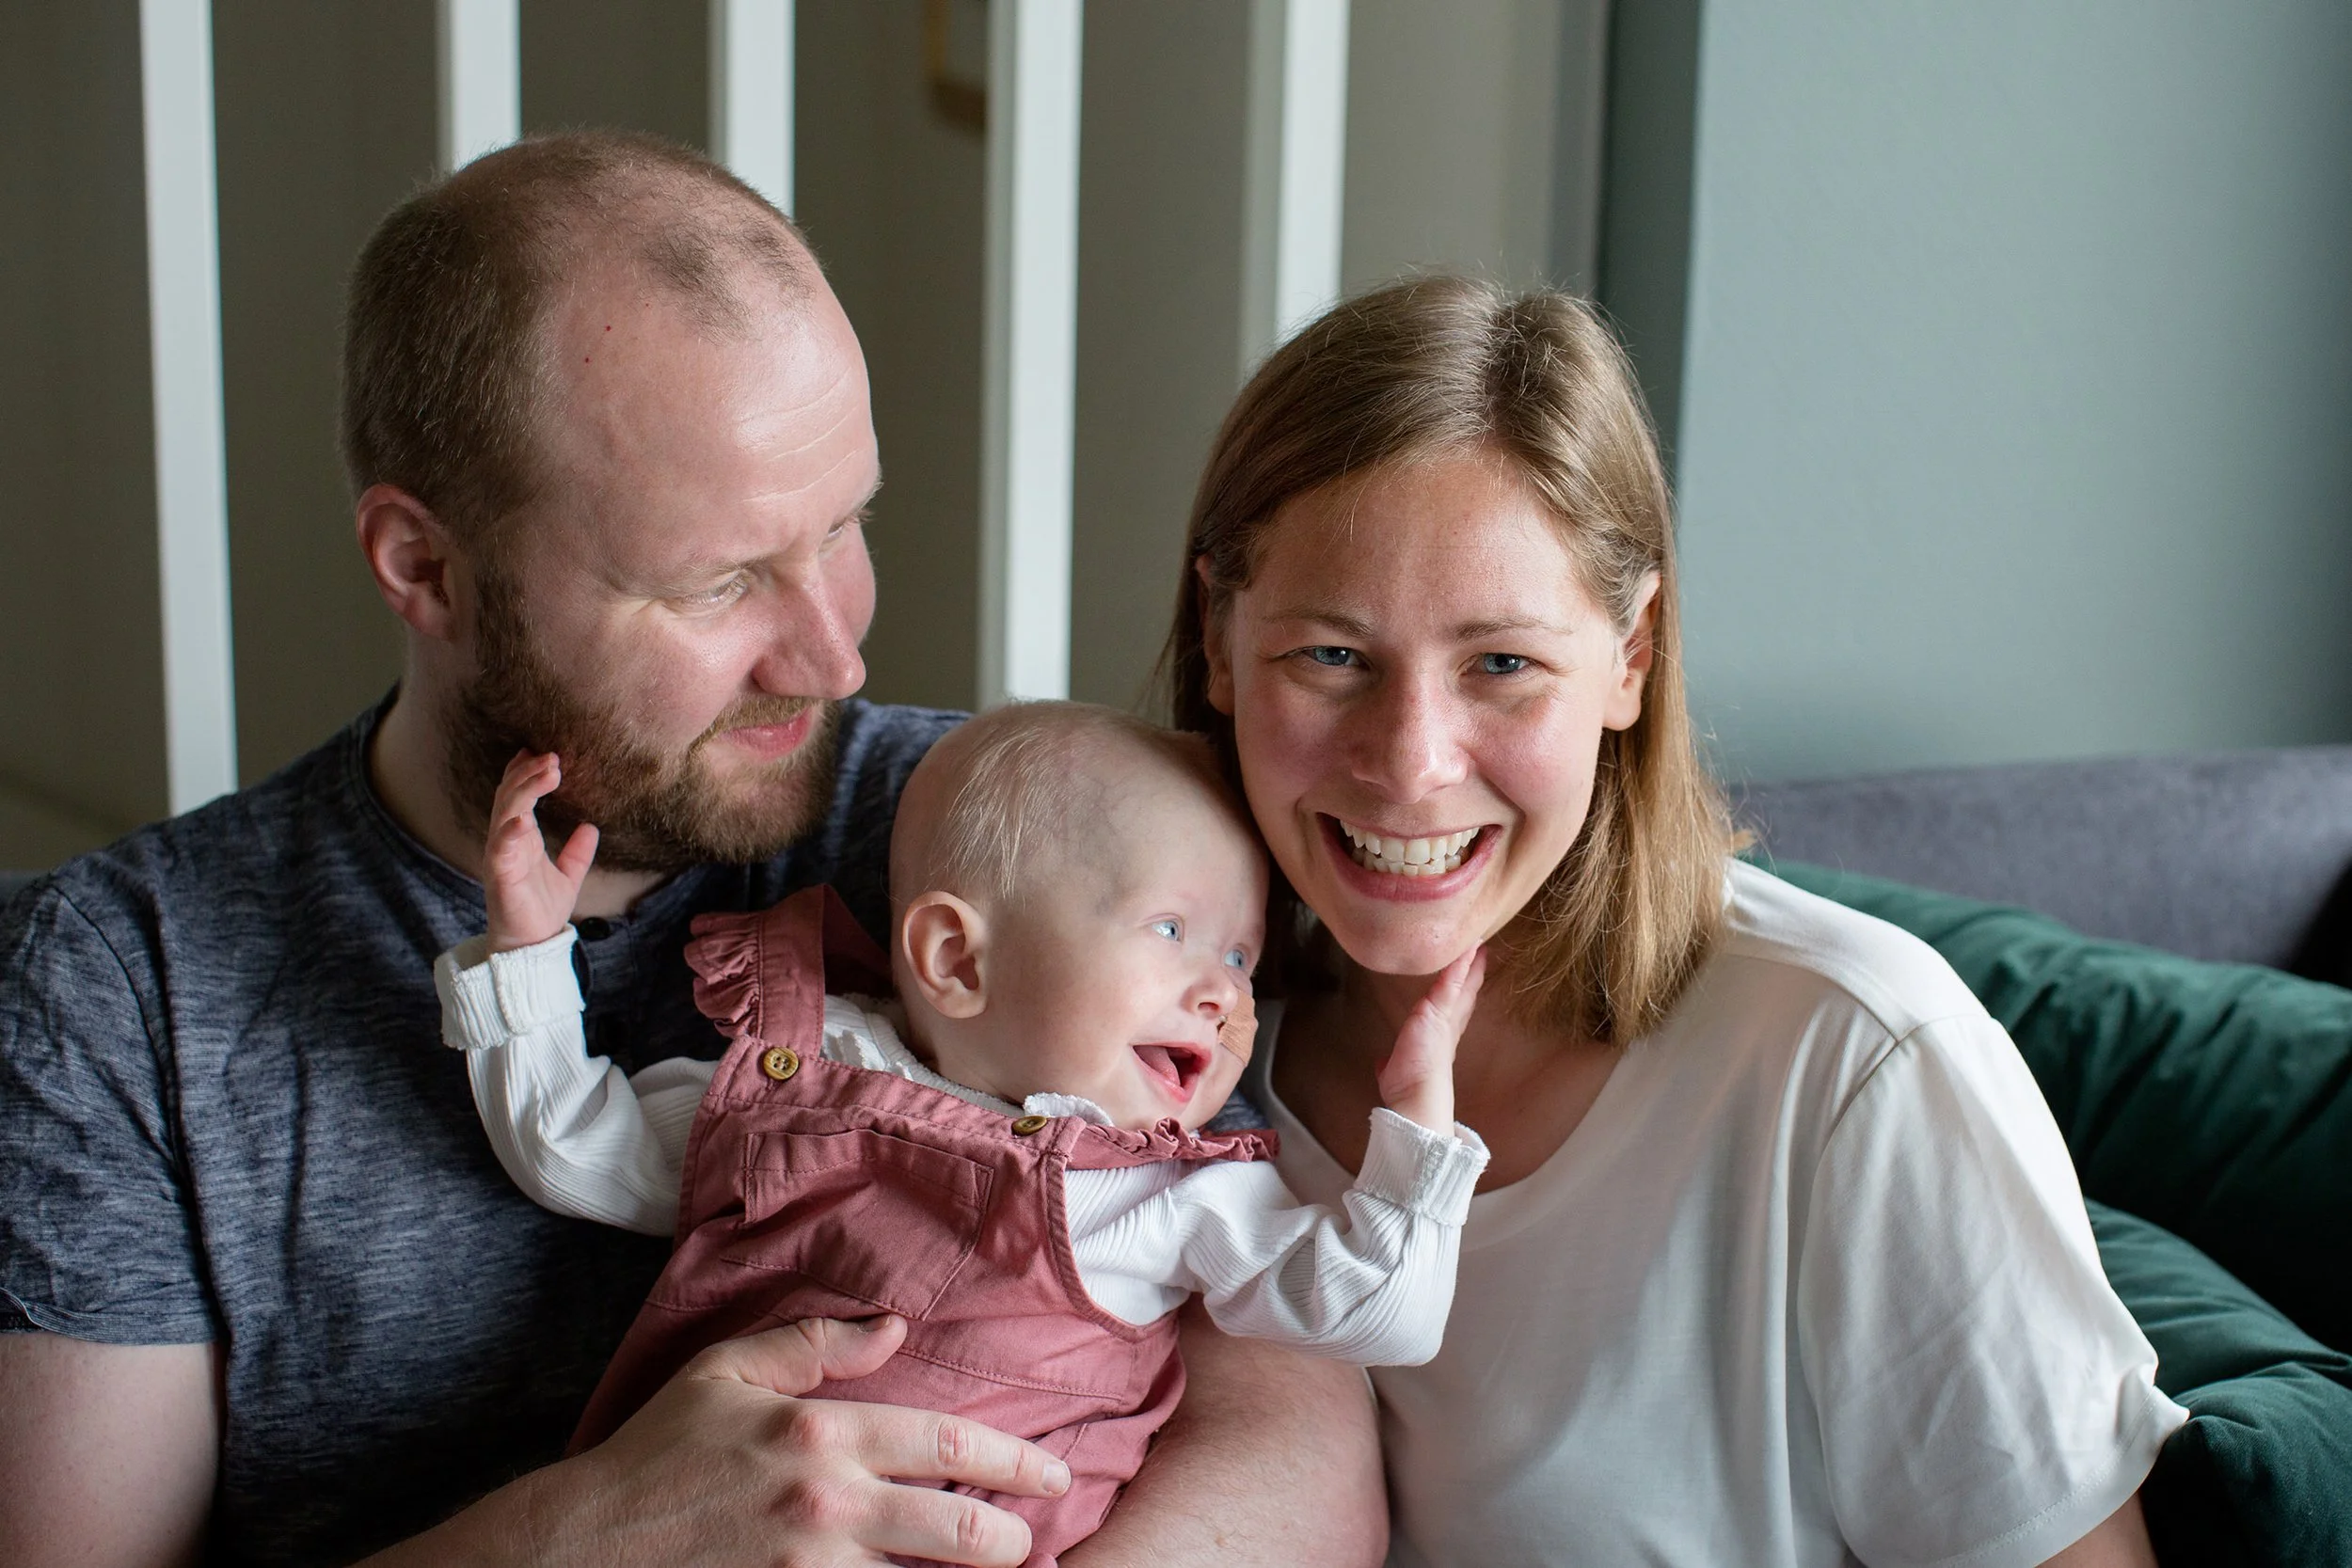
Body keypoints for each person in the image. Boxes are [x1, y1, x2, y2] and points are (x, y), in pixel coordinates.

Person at [0, 133, 1385, 1568]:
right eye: (720, 580)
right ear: (425, 566)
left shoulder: (988, 842)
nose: (835, 654)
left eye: (843, 525)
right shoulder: (120, 994)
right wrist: (586, 1532)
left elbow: (1300, 1452)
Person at [1162, 276, 2188, 1567]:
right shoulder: (1143, 1050)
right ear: (1217, 633)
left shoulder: (1855, 1062)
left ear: (1632, 655)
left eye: (1502, 663)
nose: (1410, 761)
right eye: (1331, 656)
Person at [435, 704, 1489, 1564]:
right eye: (1172, 930)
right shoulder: (793, 1079)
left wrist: (1418, 1113)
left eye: (1242, 958)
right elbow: (576, 1148)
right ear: (955, 957)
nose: (1222, 994)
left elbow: (1378, 1310)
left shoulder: (1166, 1193)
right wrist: (528, 952)